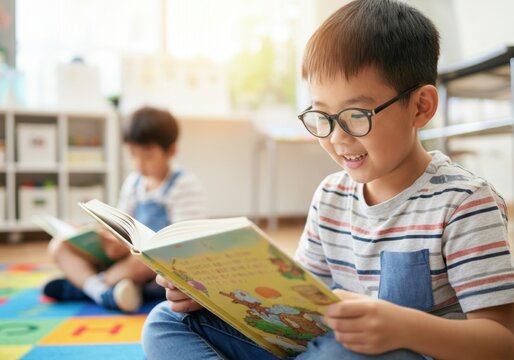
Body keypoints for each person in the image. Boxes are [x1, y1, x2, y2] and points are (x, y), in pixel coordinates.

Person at [141, 0, 514, 359]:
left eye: (356, 115)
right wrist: (215, 297)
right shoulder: (331, 195)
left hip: (395, 353)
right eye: (321, 116)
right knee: (167, 322)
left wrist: (402, 327)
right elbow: (301, 306)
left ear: (420, 107)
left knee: (342, 353)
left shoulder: (464, 202)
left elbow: (502, 342)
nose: (337, 137)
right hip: (326, 347)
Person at [42, 106, 206, 313]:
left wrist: (136, 250)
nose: (139, 164)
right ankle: (106, 290)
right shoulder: (134, 182)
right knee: (58, 246)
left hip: (154, 266)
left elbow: (185, 242)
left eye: (146, 157)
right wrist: (105, 237)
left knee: (145, 259)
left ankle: (87, 286)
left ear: (171, 151)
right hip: (124, 259)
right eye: (133, 155)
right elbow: (121, 221)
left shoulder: (183, 184)